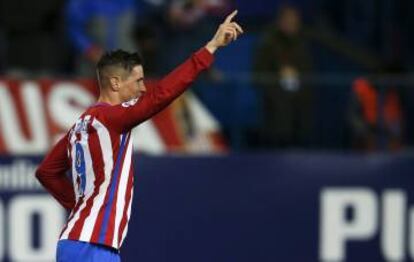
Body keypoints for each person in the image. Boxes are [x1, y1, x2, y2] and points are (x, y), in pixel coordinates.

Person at [35, 10, 243, 262]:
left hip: (74, 243)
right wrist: (210, 48)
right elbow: (161, 96)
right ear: (115, 83)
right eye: (138, 81)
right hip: (93, 247)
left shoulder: (81, 125)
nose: (144, 88)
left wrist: (81, 210)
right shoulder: (112, 118)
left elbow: (46, 171)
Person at [253, 5, 313, 149]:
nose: (292, 25)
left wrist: (296, 75)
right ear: (280, 22)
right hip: (274, 104)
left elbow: (308, 72)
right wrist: (279, 76)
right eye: (288, 21)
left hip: (299, 105)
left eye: (295, 22)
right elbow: (258, 74)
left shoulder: (302, 44)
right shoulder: (268, 43)